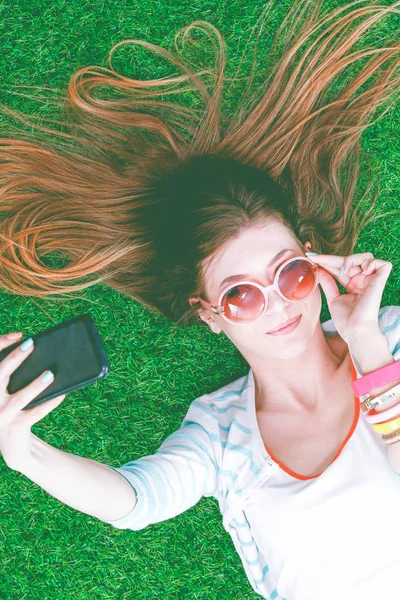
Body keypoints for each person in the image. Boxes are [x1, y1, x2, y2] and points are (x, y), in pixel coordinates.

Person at [0, 1, 400, 599]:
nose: (278, 304)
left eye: (289, 273)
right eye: (241, 295)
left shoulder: (389, 340)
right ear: (210, 314)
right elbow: (134, 500)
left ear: (316, 265)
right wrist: (22, 453)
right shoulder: (221, 430)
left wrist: (368, 344)